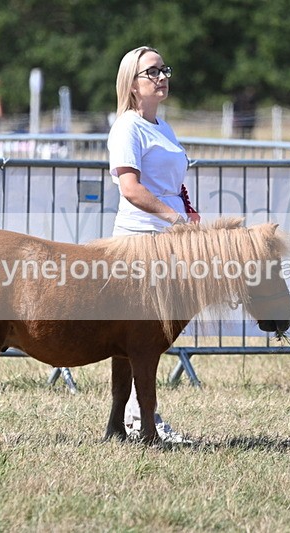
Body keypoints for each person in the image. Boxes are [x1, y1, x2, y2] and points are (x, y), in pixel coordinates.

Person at [107, 45, 199, 443]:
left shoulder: (162, 126)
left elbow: (173, 186)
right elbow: (131, 188)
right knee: (143, 337)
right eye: (152, 72)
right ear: (132, 84)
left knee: (154, 335)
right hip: (141, 241)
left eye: (164, 69)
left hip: (170, 240)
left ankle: (132, 418)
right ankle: (139, 419)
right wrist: (175, 219)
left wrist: (189, 214)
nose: (162, 77)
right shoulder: (127, 127)